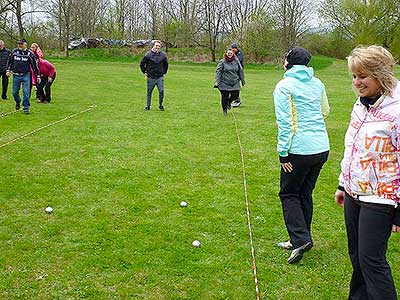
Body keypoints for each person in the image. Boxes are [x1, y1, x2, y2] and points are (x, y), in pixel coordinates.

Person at [334, 45, 400, 300]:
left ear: (380, 75)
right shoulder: (360, 105)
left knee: (372, 260)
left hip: (381, 197)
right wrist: (342, 184)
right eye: (353, 76)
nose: (357, 82)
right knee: (357, 257)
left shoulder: (396, 111)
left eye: (363, 76)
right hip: (354, 192)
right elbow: (352, 147)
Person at [274, 46, 330, 264]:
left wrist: (283, 153)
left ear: (288, 61)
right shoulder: (317, 83)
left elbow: (286, 123)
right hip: (321, 148)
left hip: (299, 150)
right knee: (304, 193)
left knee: (288, 194)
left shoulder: (284, 86)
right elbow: (325, 111)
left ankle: (300, 239)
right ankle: (299, 237)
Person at [6, 38, 40, 114]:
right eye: (19, 44)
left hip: (26, 75)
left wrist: (38, 75)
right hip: (15, 75)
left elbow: (34, 66)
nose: (19, 45)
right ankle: (18, 102)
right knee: (14, 92)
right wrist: (8, 70)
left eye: (21, 44)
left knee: (26, 92)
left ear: (25, 44)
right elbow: (10, 61)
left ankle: (26, 108)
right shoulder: (14, 52)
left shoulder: (30, 54)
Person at [214, 47, 245, 116]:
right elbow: (218, 72)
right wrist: (216, 82)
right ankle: (224, 110)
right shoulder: (222, 62)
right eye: (228, 53)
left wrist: (242, 81)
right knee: (224, 96)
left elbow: (240, 71)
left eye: (231, 53)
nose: (230, 54)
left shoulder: (236, 62)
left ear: (233, 54)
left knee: (236, 94)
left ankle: (229, 102)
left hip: (234, 81)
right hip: (224, 82)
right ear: (226, 54)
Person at [140, 40, 168, 111]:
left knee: (161, 91)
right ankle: (148, 106)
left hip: (160, 77)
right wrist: (145, 72)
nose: (157, 47)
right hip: (151, 77)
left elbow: (166, 64)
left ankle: (160, 105)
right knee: (149, 92)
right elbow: (142, 64)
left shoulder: (163, 55)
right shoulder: (148, 55)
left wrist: (164, 72)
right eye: (156, 46)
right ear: (153, 46)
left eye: (159, 46)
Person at [230, 43, 244, 107]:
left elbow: (238, 60)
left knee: (236, 86)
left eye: (233, 49)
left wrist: (233, 55)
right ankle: (235, 100)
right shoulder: (231, 53)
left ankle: (237, 101)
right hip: (232, 72)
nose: (232, 50)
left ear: (236, 48)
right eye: (231, 48)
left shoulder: (239, 53)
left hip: (238, 72)